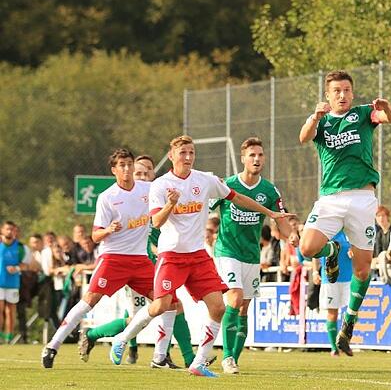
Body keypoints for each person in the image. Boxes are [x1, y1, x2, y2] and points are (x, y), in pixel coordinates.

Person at [109, 135, 291, 377]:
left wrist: (270, 212)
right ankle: (122, 339)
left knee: (218, 308)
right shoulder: (161, 185)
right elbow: (156, 221)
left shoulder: (205, 180)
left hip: (198, 256)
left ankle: (199, 362)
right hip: (171, 255)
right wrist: (170, 205)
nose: (187, 157)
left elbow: (238, 198)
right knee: (161, 305)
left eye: (191, 153)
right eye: (183, 152)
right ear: (172, 155)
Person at [41, 149, 176, 369]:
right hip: (113, 259)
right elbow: (95, 235)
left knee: (168, 302)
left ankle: (160, 358)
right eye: (121, 165)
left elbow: (173, 189)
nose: (126, 168)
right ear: (114, 170)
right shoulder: (108, 197)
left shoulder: (148, 189)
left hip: (141, 260)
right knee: (87, 303)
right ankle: (52, 346)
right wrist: (108, 230)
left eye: (129, 164)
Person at [298, 70, 391, 356]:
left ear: (352, 93)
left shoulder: (363, 114)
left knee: (363, 268)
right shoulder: (322, 121)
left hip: (363, 198)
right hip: (330, 198)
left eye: (346, 90)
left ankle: (349, 323)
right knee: (307, 248)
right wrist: (315, 117)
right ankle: (330, 251)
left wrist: (386, 107)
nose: (342, 95)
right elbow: (303, 137)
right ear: (327, 96)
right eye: (336, 91)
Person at [210, 136, 292, 374]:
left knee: (244, 309)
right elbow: (205, 209)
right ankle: (226, 357)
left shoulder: (268, 190)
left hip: (251, 255)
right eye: (252, 155)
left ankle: (232, 359)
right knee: (234, 298)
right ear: (243, 159)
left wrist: (292, 236)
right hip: (227, 251)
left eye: (260, 155)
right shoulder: (227, 185)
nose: (256, 159)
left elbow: (281, 220)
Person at [318, 231, 353, 356]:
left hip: (349, 277)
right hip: (330, 278)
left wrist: (353, 253)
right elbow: (315, 252)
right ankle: (334, 348)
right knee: (332, 312)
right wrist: (314, 271)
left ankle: (343, 340)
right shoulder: (327, 229)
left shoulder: (349, 231)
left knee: (353, 311)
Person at [1, 221, 30, 344]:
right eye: (7, 229)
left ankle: (8, 338)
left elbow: (26, 265)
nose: (9, 231)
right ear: (2, 230)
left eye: (12, 229)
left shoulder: (21, 247)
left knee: (10, 312)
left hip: (13, 284)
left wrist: (16, 268)